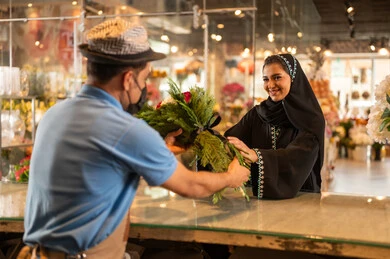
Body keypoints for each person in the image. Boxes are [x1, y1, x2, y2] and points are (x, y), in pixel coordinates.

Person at [19, 18, 249, 259]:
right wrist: (230, 177)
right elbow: (192, 186)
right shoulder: (125, 129)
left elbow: (95, 169)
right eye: (144, 78)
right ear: (128, 79)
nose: (144, 87)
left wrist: (160, 151)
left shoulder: (54, 115)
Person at [225, 54, 325, 199]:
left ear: (293, 78)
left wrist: (256, 155)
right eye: (266, 79)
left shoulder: (311, 119)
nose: (270, 85)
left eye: (277, 77)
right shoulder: (257, 114)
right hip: (258, 202)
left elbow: (298, 156)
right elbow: (231, 140)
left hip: (301, 199)